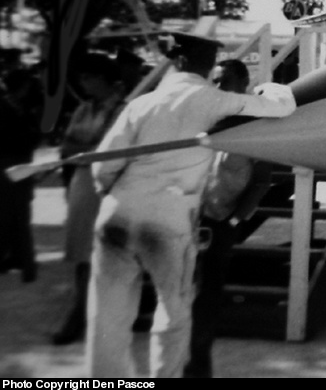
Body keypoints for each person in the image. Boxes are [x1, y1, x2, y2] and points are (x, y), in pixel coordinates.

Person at [85, 33, 297, 378]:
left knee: (108, 317)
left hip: (118, 211)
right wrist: (268, 88)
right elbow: (283, 106)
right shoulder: (214, 101)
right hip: (169, 220)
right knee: (173, 314)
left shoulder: (142, 103)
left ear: (177, 60)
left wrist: (118, 197)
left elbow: (102, 167)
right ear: (209, 64)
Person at [185, 59, 268, 378]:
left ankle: (198, 364)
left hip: (220, 222)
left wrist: (236, 221)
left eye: (225, 80)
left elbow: (261, 181)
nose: (218, 87)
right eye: (215, 80)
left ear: (244, 82)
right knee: (181, 292)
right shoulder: (206, 118)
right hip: (190, 217)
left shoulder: (256, 124)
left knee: (206, 295)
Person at [51, 52, 137, 345]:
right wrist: (88, 149)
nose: (83, 83)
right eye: (82, 77)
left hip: (110, 184)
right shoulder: (84, 109)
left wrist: (85, 149)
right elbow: (66, 147)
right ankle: (79, 310)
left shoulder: (124, 110)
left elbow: (110, 149)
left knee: (108, 252)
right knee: (81, 251)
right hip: (83, 182)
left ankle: (99, 315)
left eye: (88, 77)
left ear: (104, 79)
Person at [0, 67, 42, 283]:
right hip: (9, 165)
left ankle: (20, 259)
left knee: (16, 214)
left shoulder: (21, 107)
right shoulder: (9, 108)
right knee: (13, 215)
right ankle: (24, 262)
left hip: (20, 164)